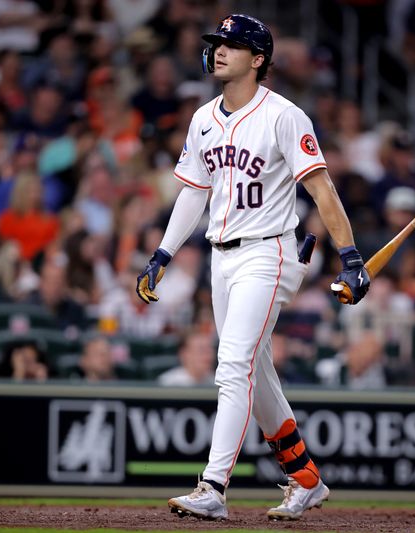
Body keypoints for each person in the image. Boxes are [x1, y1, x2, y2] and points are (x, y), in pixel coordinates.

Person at [135, 14, 370, 521]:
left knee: (233, 364)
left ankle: (213, 486)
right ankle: (305, 479)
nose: (219, 51)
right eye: (216, 44)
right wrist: (162, 255)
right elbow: (193, 194)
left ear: (257, 58)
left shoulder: (284, 116)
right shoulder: (202, 118)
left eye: (232, 44)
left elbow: (321, 188)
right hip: (221, 256)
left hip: (270, 251)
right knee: (256, 374)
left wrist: (350, 256)